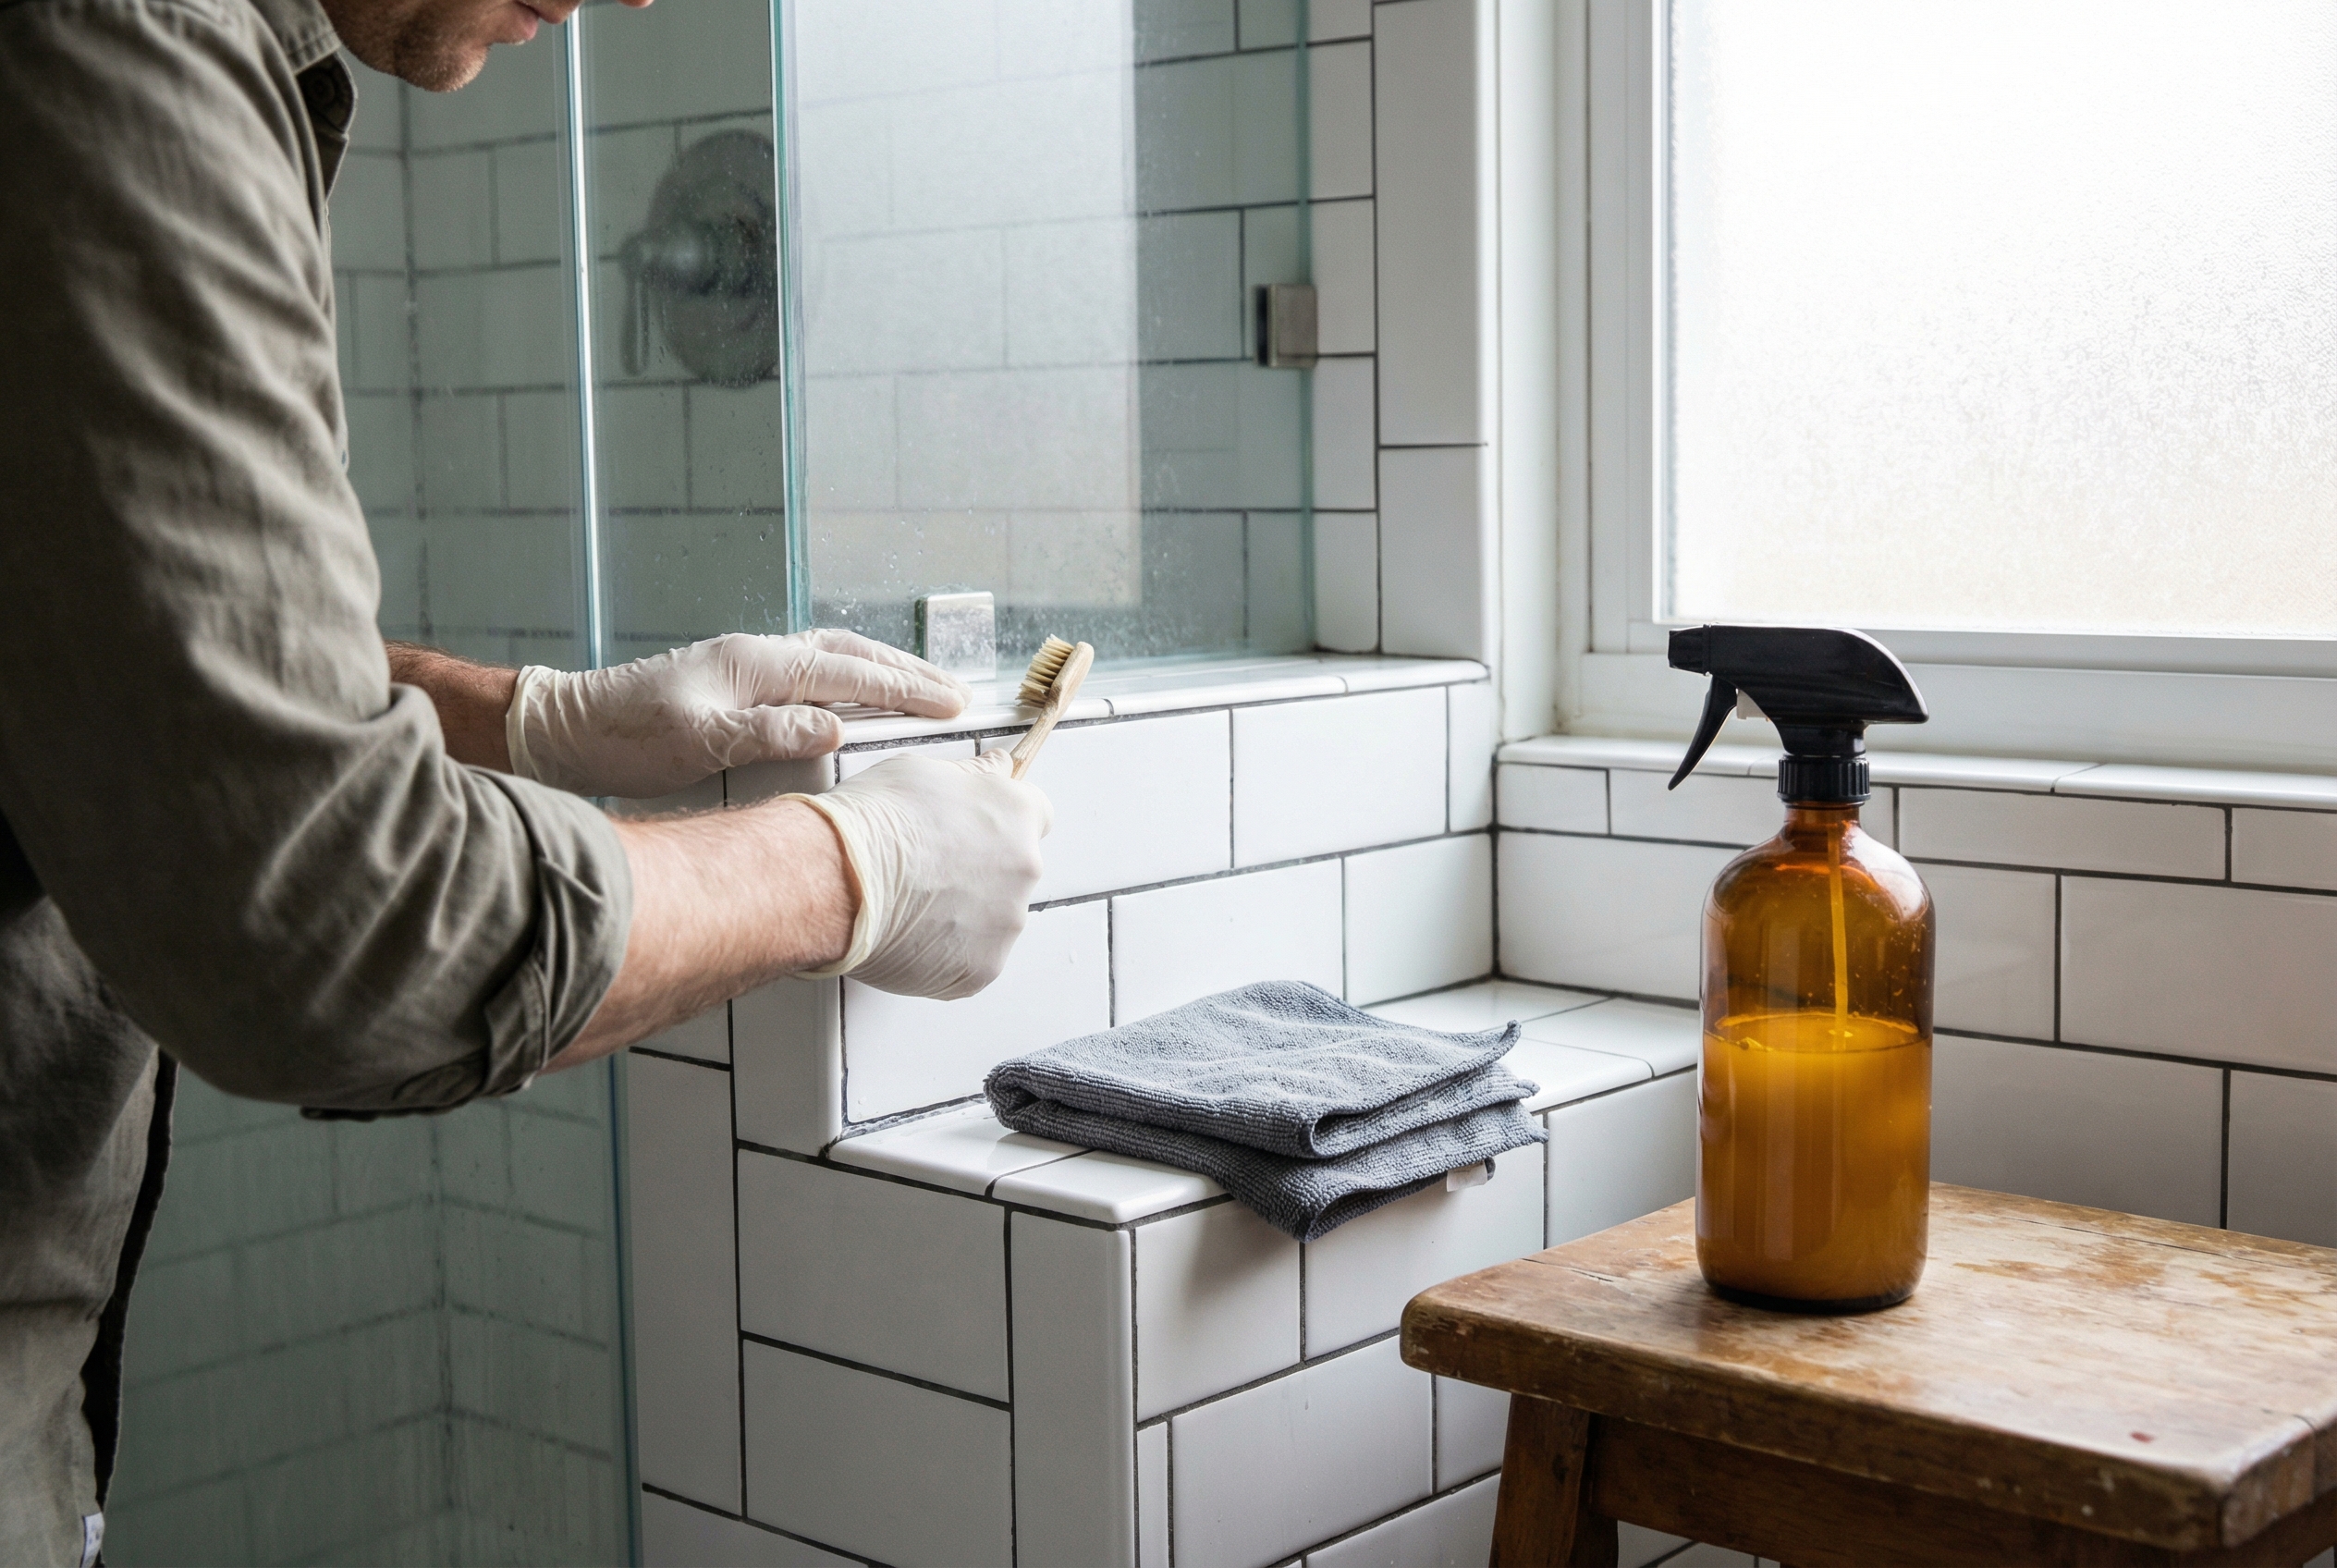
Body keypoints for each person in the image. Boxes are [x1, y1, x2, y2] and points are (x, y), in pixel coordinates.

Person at [0, 0, 1053, 1560]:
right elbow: (333, 933)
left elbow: (89, 646)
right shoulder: (123, 33)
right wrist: (850, 868)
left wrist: (527, 721)